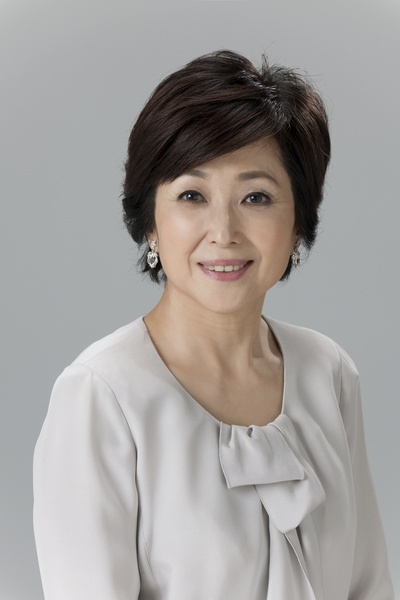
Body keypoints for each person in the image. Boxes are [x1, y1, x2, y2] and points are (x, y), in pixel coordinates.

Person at [33, 50, 394, 600]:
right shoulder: (101, 396)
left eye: (256, 197)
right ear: (150, 224)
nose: (223, 232)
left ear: (298, 224)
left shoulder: (329, 373)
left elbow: (369, 584)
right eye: (192, 196)